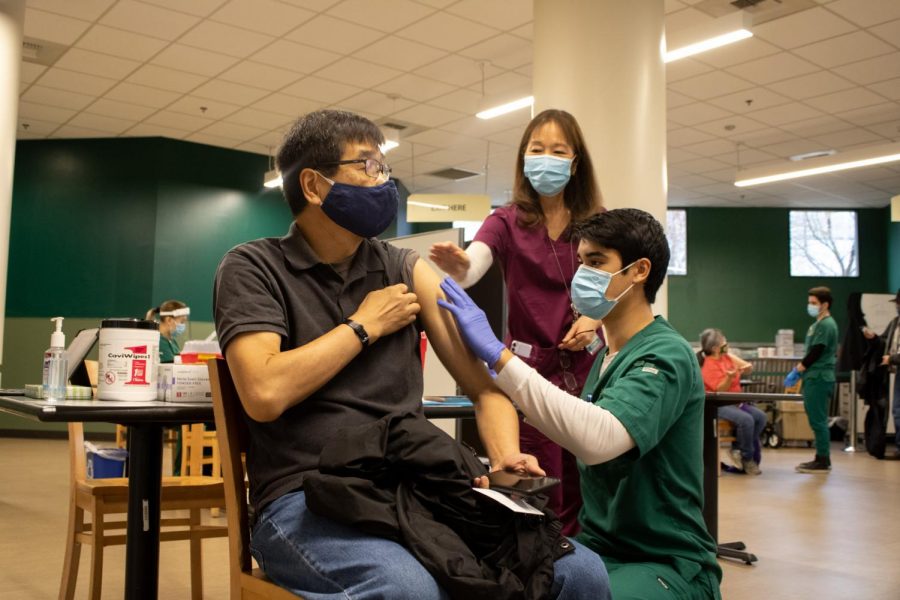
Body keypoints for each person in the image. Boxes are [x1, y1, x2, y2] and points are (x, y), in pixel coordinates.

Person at [213, 109, 609, 599]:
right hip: (305, 496)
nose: (385, 182)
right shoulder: (253, 268)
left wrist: (506, 456)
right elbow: (264, 392)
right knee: (410, 590)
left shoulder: (402, 267)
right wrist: (362, 327)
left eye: (384, 166)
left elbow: (486, 389)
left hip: (415, 485)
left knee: (581, 572)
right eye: (369, 166)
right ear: (314, 186)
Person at [439, 208, 722, 599]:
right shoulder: (606, 357)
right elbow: (587, 444)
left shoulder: (665, 354)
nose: (580, 276)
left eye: (595, 262)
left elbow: (601, 438)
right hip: (601, 550)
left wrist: (498, 356)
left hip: (664, 561)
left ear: (640, 271)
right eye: (580, 262)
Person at [428, 109, 603, 534]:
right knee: (538, 483)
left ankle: (586, 570)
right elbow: (474, 266)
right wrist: (460, 266)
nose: (547, 158)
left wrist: (594, 320)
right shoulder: (506, 220)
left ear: (575, 162)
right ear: (524, 159)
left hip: (584, 369)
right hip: (525, 370)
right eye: (537, 149)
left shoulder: (596, 224)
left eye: (558, 150)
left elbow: (610, 285)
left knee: (588, 479)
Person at [698, 328, 765, 475]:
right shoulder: (708, 366)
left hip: (736, 401)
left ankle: (738, 449)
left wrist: (730, 356)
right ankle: (746, 458)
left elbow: (747, 368)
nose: (726, 343)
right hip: (720, 403)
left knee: (760, 417)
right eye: (724, 341)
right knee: (746, 420)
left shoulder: (726, 357)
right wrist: (729, 377)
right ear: (715, 348)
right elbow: (719, 390)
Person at [795, 286, 839, 474]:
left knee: (819, 420)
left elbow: (817, 351)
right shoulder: (817, 324)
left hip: (819, 376)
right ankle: (820, 457)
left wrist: (800, 367)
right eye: (809, 303)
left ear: (825, 304)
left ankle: (823, 459)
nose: (810, 306)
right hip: (813, 377)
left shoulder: (826, 325)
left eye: (814, 303)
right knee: (815, 418)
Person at [862, 289, 900, 458]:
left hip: (895, 364)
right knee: (897, 410)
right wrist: (873, 338)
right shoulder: (895, 323)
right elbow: (884, 341)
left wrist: (892, 359)